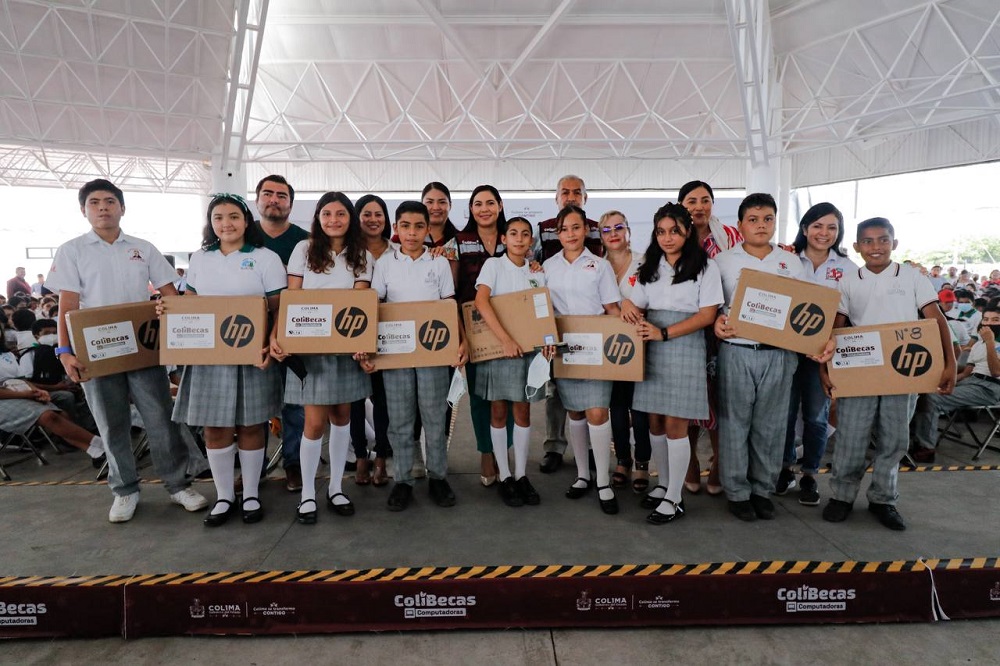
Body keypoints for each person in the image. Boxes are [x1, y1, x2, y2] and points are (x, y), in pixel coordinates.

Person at [47, 178, 208, 522]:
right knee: (111, 424)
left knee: (160, 419)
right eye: (94, 202)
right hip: (95, 350)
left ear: (122, 207)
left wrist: (176, 319)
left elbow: (171, 295)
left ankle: (178, 484)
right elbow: (67, 306)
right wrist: (64, 351)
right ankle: (124, 490)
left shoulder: (142, 248)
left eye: (109, 201)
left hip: (142, 348)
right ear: (83, 210)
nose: (103, 208)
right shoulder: (72, 250)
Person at [820, 217, 956, 530]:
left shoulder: (913, 277)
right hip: (860, 368)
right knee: (851, 437)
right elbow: (835, 329)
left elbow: (936, 320)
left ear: (894, 243)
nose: (876, 247)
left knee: (894, 439)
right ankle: (842, 496)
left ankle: (883, 499)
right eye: (867, 241)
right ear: (857, 247)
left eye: (883, 240)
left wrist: (949, 362)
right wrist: (823, 369)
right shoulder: (849, 281)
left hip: (903, 369)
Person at [171, 193, 286, 527]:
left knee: (251, 425)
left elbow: (279, 308)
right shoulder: (201, 258)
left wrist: (270, 344)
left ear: (246, 221)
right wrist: (171, 308)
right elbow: (190, 302)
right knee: (215, 426)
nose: (226, 224)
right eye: (218, 217)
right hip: (210, 355)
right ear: (211, 223)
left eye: (234, 216)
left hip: (253, 354)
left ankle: (250, 493)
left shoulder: (265, 258)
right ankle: (224, 496)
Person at [269, 192, 374, 525]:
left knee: (343, 417)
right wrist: (277, 335)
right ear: (318, 217)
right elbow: (291, 298)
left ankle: (336, 488)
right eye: (326, 213)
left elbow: (359, 307)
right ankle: (307, 495)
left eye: (340, 214)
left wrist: (360, 342)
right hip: (310, 348)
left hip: (345, 349)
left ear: (350, 218)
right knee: (314, 423)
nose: (333, 220)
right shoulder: (304, 249)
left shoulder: (362, 254)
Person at [622, 203, 723, 523]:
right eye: (661, 232)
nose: (667, 238)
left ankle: (675, 498)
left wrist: (664, 332)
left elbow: (707, 315)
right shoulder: (649, 265)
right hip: (652, 346)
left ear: (688, 232)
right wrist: (627, 304)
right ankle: (664, 484)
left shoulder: (705, 267)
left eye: (675, 231)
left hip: (684, 345)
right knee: (654, 421)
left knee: (676, 424)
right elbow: (637, 303)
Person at [364, 201, 468, 511]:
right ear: (396, 228)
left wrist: (462, 341)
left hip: (433, 352)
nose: (412, 233)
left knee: (434, 417)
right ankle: (403, 480)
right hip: (395, 355)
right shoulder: (384, 264)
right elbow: (374, 307)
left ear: (427, 229)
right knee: (400, 420)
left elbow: (449, 306)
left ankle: (438, 477)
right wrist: (368, 348)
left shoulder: (438, 263)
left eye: (419, 227)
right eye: (406, 226)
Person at [713, 193, 811, 522]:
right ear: (740, 225)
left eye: (768, 219)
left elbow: (805, 307)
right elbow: (712, 306)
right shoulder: (723, 261)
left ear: (775, 222)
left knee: (770, 427)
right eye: (753, 220)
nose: (761, 225)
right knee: (734, 425)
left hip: (778, 355)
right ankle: (737, 492)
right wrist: (716, 323)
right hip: (737, 351)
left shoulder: (790, 262)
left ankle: (761, 489)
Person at [776, 203, 857, 507]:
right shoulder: (785, 259)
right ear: (805, 228)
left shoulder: (848, 268)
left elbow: (849, 312)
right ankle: (784, 469)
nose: (824, 233)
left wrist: (831, 343)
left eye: (832, 227)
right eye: (818, 226)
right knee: (783, 414)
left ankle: (810, 473)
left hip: (821, 355)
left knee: (815, 416)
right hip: (785, 349)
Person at [543, 204, 622, 514]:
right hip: (565, 348)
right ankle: (582, 475)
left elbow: (612, 308)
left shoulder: (599, 265)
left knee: (598, 412)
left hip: (596, 348)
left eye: (576, 227)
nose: (571, 234)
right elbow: (542, 310)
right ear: (557, 234)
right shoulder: (547, 267)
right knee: (575, 411)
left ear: (586, 230)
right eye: (564, 229)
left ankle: (603, 480)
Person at [472, 216, 553, 507]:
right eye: (514, 233)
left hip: (529, 351)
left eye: (525, 234)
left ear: (531, 240)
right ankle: (504, 475)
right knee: (498, 411)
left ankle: (521, 475)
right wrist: (505, 340)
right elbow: (481, 301)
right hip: (499, 348)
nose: (519, 238)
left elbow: (543, 311)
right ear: (504, 239)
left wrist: (547, 341)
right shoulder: (493, 266)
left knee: (523, 410)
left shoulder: (536, 273)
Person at [534, 175, 604, 476]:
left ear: (585, 198)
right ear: (557, 197)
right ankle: (554, 446)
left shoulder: (599, 230)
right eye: (565, 192)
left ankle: (588, 449)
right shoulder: (542, 230)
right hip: (556, 323)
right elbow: (531, 264)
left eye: (577, 192)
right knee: (556, 390)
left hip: (593, 324)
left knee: (591, 391)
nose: (571, 196)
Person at [678, 180, 742, 496]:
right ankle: (690, 464)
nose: (699, 207)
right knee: (689, 401)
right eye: (691, 201)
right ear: (681, 206)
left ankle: (718, 465)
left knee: (721, 401)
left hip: (725, 331)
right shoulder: (674, 236)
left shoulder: (730, 236)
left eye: (705, 200)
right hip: (688, 330)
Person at [445, 185, 511, 486]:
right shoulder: (458, 242)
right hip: (473, 329)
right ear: (471, 209)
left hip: (511, 327)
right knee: (480, 395)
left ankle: (504, 450)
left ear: (500, 206)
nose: (484, 209)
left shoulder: (513, 236)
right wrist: (461, 336)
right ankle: (486, 451)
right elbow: (451, 293)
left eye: (490, 203)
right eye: (477, 204)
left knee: (510, 394)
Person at [254, 175, 309, 493]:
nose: (274, 199)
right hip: (249, 333)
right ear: (257, 200)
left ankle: (293, 463)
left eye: (281, 195)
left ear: (290, 203)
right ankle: (254, 467)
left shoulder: (305, 242)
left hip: (295, 332)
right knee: (255, 405)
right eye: (268, 194)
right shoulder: (242, 235)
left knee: (295, 405)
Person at [598, 210, 651, 493]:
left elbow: (656, 296)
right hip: (611, 346)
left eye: (618, 227)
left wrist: (634, 304)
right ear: (600, 236)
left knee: (639, 408)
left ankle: (642, 461)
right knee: (617, 407)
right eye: (606, 230)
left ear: (628, 230)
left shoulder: (645, 262)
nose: (613, 233)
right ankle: (622, 459)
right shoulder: (596, 265)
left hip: (641, 342)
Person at [911, 307, 1000, 463]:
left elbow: (996, 371)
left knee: (933, 398)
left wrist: (990, 342)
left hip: (990, 387)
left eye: (995, 320)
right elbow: (966, 373)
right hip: (971, 381)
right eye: (986, 319)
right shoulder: (978, 345)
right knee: (924, 391)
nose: (989, 323)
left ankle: (926, 448)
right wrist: (942, 382)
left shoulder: (988, 342)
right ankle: (915, 438)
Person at [350, 194, 394, 486]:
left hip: (389, 335)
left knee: (382, 400)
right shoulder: (348, 253)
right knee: (354, 400)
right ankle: (360, 457)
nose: (373, 219)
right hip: (353, 333)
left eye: (379, 214)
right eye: (367, 214)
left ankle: (381, 458)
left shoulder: (398, 251)